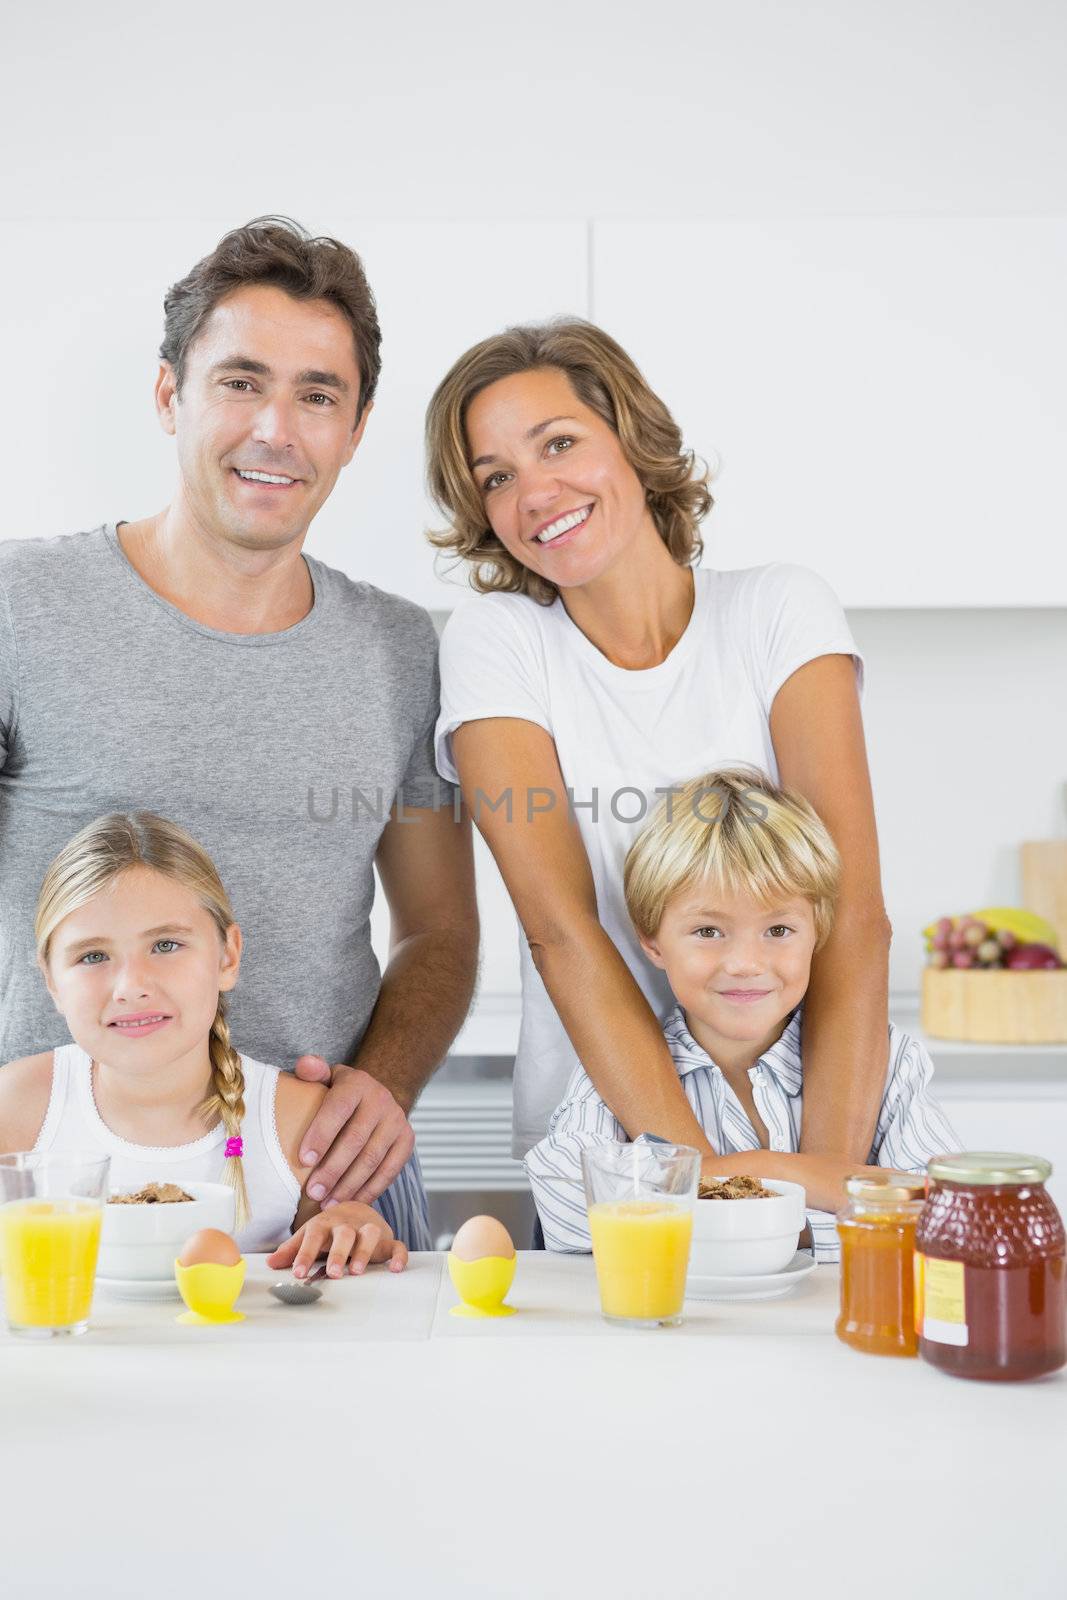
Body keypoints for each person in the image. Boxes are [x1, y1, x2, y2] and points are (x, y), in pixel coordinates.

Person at [0, 217, 478, 1235]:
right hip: (65, 1193)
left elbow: (439, 930)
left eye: (318, 395)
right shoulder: (19, 609)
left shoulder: (400, 650)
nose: (277, 429)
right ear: (170, 392)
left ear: (353, 428)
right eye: (240, 381)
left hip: (322, 1190)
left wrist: (384, 1085)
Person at [426, 319, 890, 1186]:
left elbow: (851, 912)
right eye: (497, 477)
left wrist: (816, 1182)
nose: (534, 493)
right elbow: (561, 932)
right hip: (610, 1146)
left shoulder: (778, 613)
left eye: (558, 442)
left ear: (631, 440)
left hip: (805, 1121)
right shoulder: (498, 642)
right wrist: (709, 1182)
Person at [525, 770, 959, 1256]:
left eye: (778, 930)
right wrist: (808, 1181)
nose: (746, 965)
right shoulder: (616, 1068)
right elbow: (566, 1206)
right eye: (709, 931)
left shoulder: (892, 1063)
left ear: (818, 932)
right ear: (652, 941)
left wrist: (718, 1183)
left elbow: (945, 1217)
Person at [0, 812, 415, 1275]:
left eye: (165, 945)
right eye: (93, 956)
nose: (131, 986)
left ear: (227, 956)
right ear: (52, 982)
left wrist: (352, 1225)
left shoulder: (299, 1124)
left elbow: (331, 1263)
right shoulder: (16, 1110)